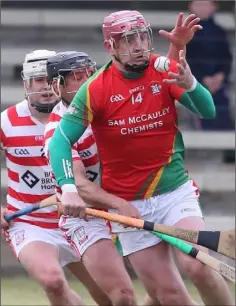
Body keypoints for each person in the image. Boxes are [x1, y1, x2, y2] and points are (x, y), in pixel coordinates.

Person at [48, 10, 234, 306]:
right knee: (168, 295)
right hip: (129, 204)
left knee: (198, 266)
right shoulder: (96, 88)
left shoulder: (163, 69)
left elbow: (207, 111)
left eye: (141, 37)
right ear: (110, 47)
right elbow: (60, 140)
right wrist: (68, 187)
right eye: (127, 40)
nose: (138, 46)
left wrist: (190, 84)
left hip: (174, 190)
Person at [1, 49, 112, 306]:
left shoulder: (85, 120)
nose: (46, 88)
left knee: (110, 298)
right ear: (25, 84)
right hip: (31, 221)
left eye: (51, 80)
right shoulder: (6, 122)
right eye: (38, 80)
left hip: (81, 219)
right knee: (53, 281)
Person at [187, 0, 234, 163]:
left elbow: (226, 57)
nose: (202, 7)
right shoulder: (186, 33)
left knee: (222, 109)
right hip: (196, 82)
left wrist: (220, 76)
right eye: (198, 4)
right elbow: (187, 59)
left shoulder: (219, 32)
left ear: (214, 7)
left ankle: (229, 150)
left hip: (219, 83)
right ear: (191, 6)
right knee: (203, 109)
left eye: (206, 4)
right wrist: (202, 78)